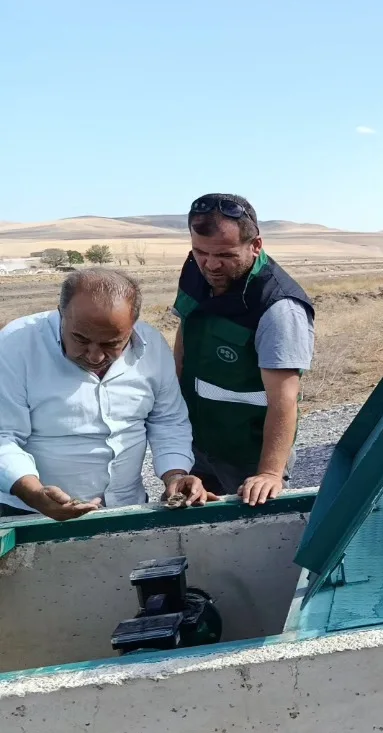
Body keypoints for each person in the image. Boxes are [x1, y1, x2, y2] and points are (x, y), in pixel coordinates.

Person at [0, 269, 211, 520]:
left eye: (111, 344)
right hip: (30, 513)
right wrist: (34, 493)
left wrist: (174, 475)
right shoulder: (16, 345)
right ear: (61, 314)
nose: (95, 356)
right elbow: (4, 436)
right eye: (80, 339)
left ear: (132, 327)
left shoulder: (152, 346)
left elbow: (167, 420)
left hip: (128, 508)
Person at [173, 193, 315, 506]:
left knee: (255, 537)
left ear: (255, 245)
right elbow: (186, 333)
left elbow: (284, 400)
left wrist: (269, 473)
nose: (210, 264)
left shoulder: (278, 307)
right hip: (198, 444)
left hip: (248, 455)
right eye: (200, 252)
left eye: (225, 254)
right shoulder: (197, 271)